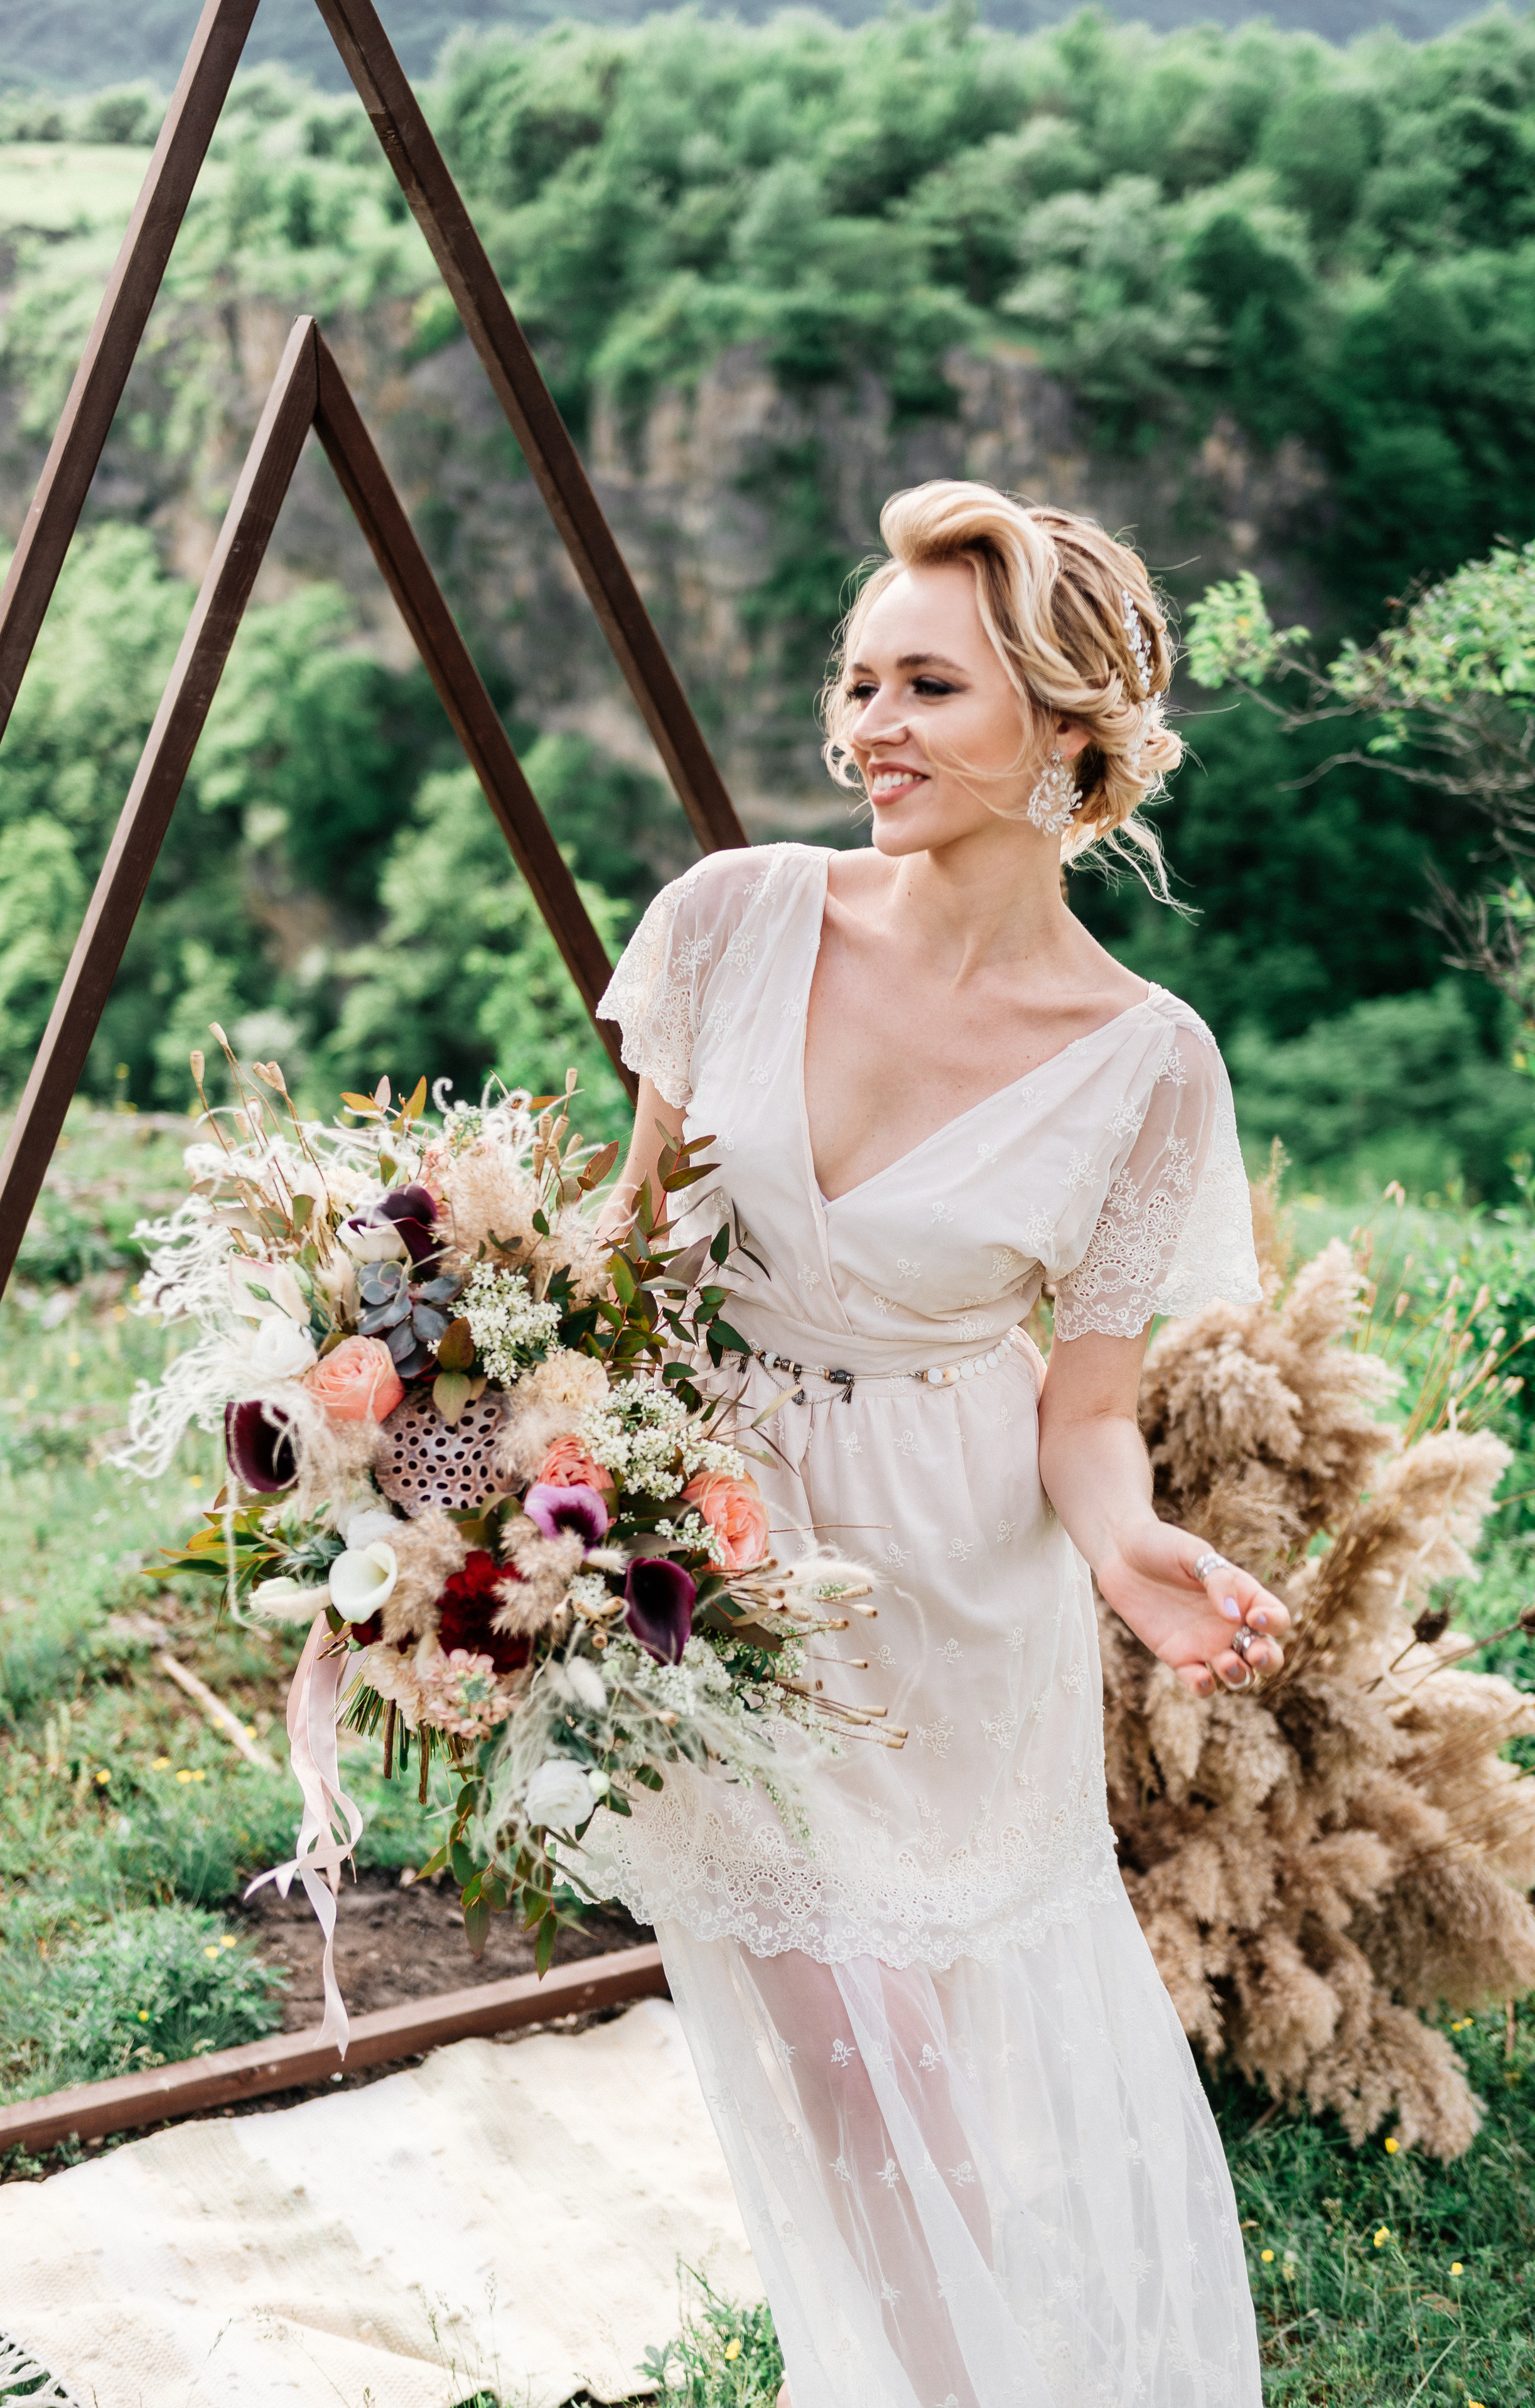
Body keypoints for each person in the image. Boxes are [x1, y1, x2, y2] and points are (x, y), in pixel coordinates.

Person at [590, 480, 1284, 2408]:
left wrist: (1131, 1548)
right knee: (848, 2043)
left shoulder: (1149, 1061)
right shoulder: (730, 921)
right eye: (859, 681)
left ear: (1067, 732)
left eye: (928, 687)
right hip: (722, 1558)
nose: (867, 727)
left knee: (940, 2043)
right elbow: (623, 1254)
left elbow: (1089, 1405)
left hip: (955, 1588)